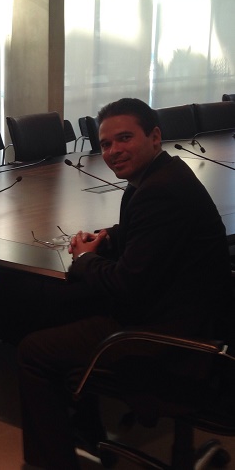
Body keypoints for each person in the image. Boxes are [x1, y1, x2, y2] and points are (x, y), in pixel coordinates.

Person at [18, 98, 233, 469]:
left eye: (124, 138)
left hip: (172, 337)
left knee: (32, 352)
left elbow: (127, 285)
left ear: (154, 136)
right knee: (57, 303)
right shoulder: (161, 175)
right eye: (105, 144)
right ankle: (87, 430)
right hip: (195, 312)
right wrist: (106, 238)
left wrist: (86, 259)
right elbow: (144, 232)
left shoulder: (159, 191)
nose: (113, 151)